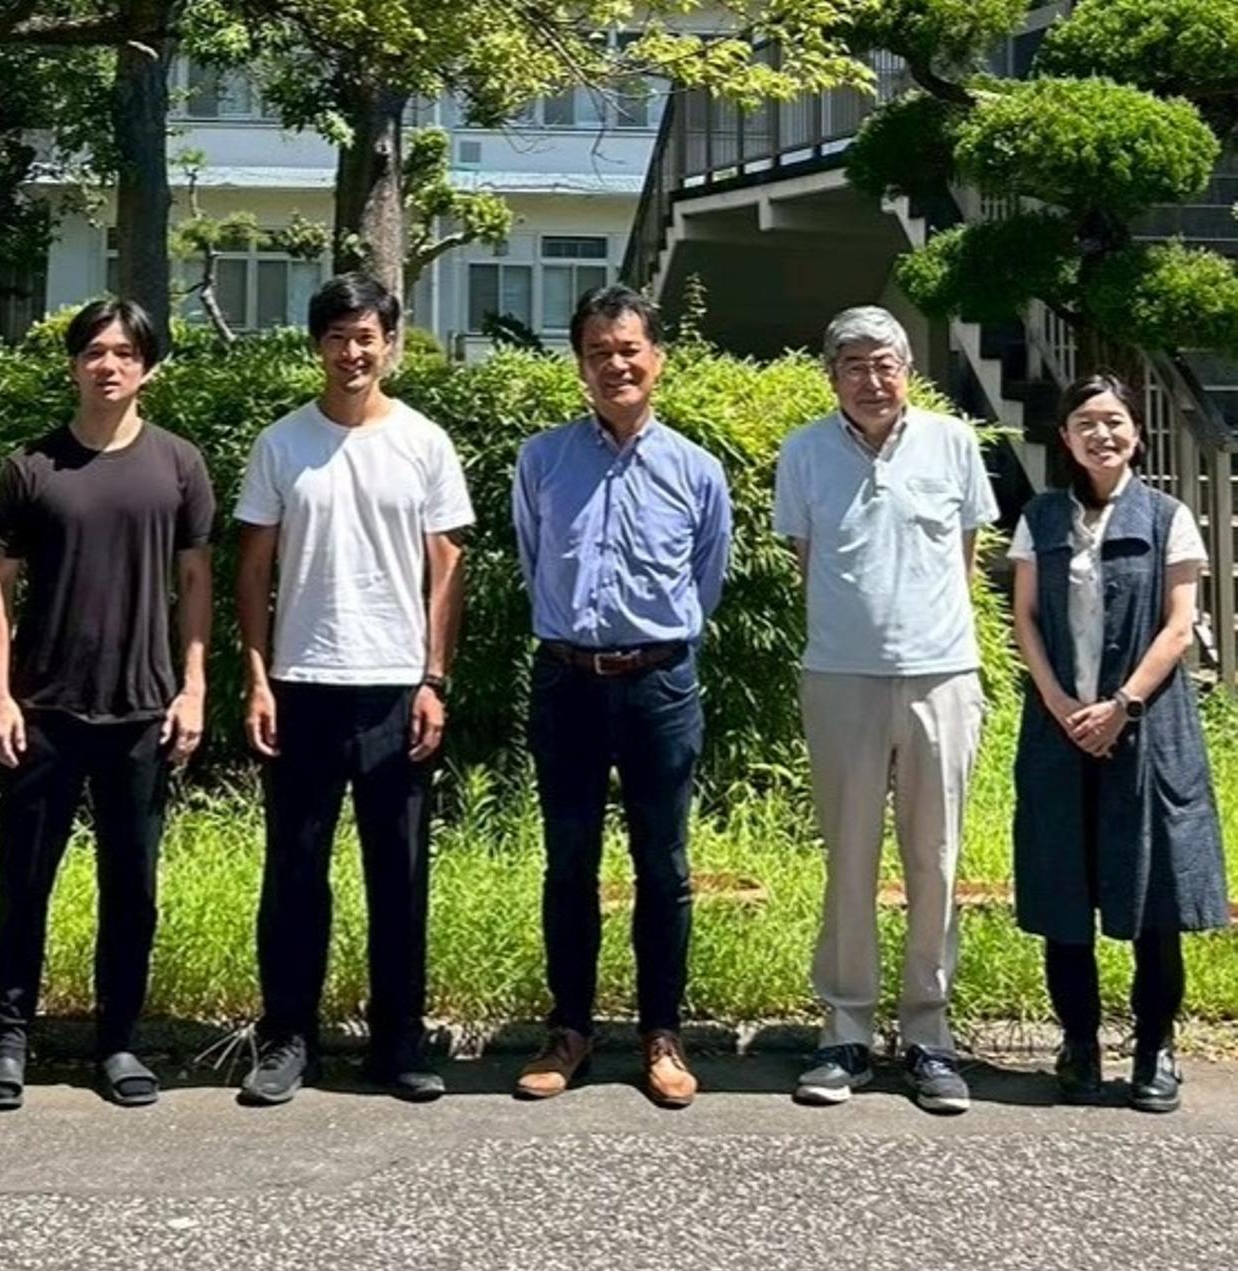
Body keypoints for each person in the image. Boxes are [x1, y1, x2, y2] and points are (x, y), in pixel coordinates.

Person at [234, 272, 474, 1106]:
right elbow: (253, 568)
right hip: (302, 682)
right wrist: (257, 676)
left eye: (366, 336)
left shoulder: (424, 442)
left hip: (395, 688)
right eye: (337, 337)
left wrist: (433, 678)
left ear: (389, 344)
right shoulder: (281, 443)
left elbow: (446, 567)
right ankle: (287, 1037)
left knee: (399, 874)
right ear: (317, 346)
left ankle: (398, 1041)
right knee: (294, 870)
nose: (352, 352)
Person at [0, 298, 213, 1111]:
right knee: (22, 882)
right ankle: (9, 1039)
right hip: (43, 709)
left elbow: (195, 580)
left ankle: (118, 1040)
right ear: (74, 364)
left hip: (143, 710)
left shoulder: (178, 464)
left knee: (132, 887)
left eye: (125, 353)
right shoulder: (31, 465)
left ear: (148, 367)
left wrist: (194, 686)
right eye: (94, 352)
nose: (109, 365)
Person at [509, 285, 731, 1109]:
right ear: (580, 365)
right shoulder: (542, 460)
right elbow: (535, 559)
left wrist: (650, 643)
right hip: (567, 677)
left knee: (663, 865)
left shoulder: (696, 469)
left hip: (660, 683)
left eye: (629, 349)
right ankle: (569, 1029)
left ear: (657, 358)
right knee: (568, 861)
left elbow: (705, 579)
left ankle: (661, 1033)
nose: (615, 365)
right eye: (598, 352)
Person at [773, 305, 997, 1114]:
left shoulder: (954, 442)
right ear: (831, 376)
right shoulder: (803, 451)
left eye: (884, 363)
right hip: (841, 675)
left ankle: (930, 1033)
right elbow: (808, 562)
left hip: (942, 675)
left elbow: (965, 560)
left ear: (908, 370)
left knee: (936, 858)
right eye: (854, 365)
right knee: (850, 856)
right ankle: (845, 1030)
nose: (871, 379)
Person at [1010, 374, 1227, 1112]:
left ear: (1136, 433)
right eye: (1085, 423)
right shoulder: (1040, 517)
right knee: (1063, 884)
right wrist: (1061, 702)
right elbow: (1025, 617)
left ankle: (1155, 1047)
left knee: (1153, 890)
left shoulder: (1168, 516)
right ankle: (1078, 1043)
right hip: (1059, 725)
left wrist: (1122, 705)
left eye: (1114, 421)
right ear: (1065, 438)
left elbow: (1178, 624)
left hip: (1148, 729)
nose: (1101, 434)